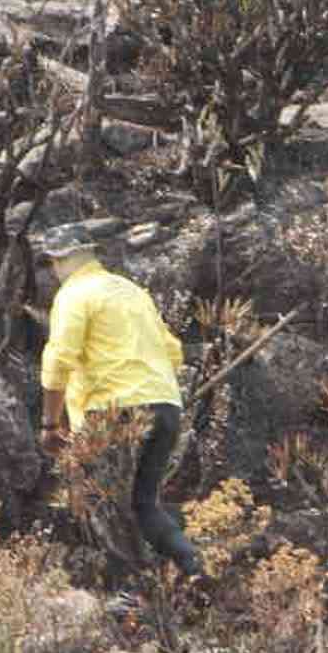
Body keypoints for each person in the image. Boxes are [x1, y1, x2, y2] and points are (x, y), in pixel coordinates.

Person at [36, 223, 204, 577]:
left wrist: (50, 424)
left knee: (103, 508)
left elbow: (58, 360)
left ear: (64, 259)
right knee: (143, 504)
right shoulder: (131, 292)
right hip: (165, 406)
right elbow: (173, 353)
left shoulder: (74, 294)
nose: (52, 270)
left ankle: (131, 593)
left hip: (112, 412)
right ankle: (191, 566)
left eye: (52, 262)